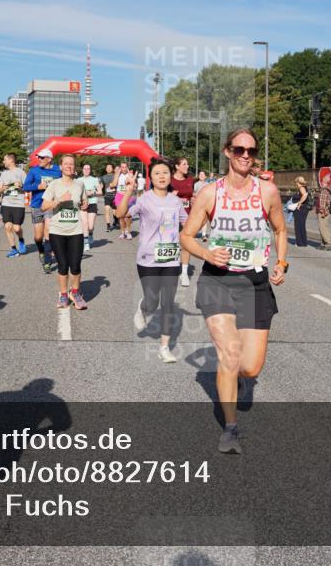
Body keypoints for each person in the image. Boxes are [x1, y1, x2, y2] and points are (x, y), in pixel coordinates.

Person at [180, 127, 288, 454]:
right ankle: (230, 428)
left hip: (254, 284)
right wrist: (206, 253)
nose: (245, 156)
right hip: (217, 280)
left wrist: (282, 263)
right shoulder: (210, 194)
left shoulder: (267, 192)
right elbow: (186, 237)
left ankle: (239, 378)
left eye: (251, 151)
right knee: (229, 355)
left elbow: (281, 229)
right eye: (239, 149)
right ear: (227, 152)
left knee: (250, 367)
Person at [117, 158, 187, 363]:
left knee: (168, 304)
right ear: (151, 178)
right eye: (157, 173)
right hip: (148, 259)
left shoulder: (176, 201)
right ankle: (143, 307)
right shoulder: (145, 199)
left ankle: (164, 347)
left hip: (171, 259)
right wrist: (129, 191)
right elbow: (121, 214)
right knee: (152, 300)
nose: (162, 176)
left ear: (170, 175)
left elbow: (188, 223)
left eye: (165, 172)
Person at [41, 154, 89, 309]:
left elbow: (84, 200)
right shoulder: (54, 185)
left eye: (72, 164)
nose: (69, 166)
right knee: (63, 265)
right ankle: (63, 295)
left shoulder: (79, 185)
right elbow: (43, 206)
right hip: (58, 231)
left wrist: (85, 204)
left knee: (75, 265)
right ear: (60, 167)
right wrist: (59, 201)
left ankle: (75, 293)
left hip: (75, 230)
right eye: (66, 164)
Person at [24, 149, 63, 273]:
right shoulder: (34, 170)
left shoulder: (58, 170)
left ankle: (47, 261)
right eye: (39, 157)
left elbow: (66, 183)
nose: (39, 159)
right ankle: (41, 251)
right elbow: (25, 186)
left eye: (42, 157)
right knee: (38, 236)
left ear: (49, 159)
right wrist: (38, 187)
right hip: (37, 206)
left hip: (51, 205)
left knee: (48, 233)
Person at [169, 157, 196, 287]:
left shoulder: (190, 179)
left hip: (187, 216)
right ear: (177, 166)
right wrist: (171, 196)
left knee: (186, 244)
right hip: (170, 217)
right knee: (171, 243)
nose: (187, 166)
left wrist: (193, 199)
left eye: (187, 163)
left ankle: (184, 273)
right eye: (184, 164)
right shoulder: (169, 179)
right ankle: (171, 270)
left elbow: (191, 196)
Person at [0, 153, 28, 258]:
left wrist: (21, 186)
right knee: (7, 227)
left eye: (4, 160)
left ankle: (21, 240)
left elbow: (28, 188)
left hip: (18, 204)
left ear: (10, 160)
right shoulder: (3, 174)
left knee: (17, 228)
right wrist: (3, 188)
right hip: (6, 203)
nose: (3, 162)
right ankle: (14, 249)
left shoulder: (21, 173)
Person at [77, 163, 103, 252]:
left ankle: (91, 233)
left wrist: (92, 193)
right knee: (85, 223)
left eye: (88, 169)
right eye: (85, 168)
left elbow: (100, 192)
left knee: (90, 226)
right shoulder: (78, 180)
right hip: (82, 204)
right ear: (82, 170)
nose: (86, 170)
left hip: (92, 203)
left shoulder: (94, 179)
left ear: (90, 170)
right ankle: (86, 242)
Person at [112, 162, 135, 239]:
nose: (124, 169)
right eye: (122, 167)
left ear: (127, 167)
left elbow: (134, 186)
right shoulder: (117, 175)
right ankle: (122, 232)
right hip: (119, 196)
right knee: (121, 216)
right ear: (120, 168)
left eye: (125, 167)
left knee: (128, 216)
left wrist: (130, 180)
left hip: (128, 196)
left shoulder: (130, 175)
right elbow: (114, 184)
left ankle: (128, 232)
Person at [315, 173, 331, 251]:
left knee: (323, 228)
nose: (320, 182)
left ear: (324, 181)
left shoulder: (324, 190)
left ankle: (328, 244)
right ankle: (323, 243)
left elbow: (322, 204)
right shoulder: (328, 189)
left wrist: (322, 212)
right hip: (326, 212)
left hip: (323, 212)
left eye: (322, 180)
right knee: (323, 227)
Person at [292, 176, 312, 247]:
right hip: (304, 208)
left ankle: (300, 242)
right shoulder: (305, 187)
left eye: (296, 182)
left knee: (298, 225)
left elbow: (305, 195)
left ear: (298, 182)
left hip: (301, 209)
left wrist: (299, 203)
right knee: (302, 225)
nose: (296, 184)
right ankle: (303, 242)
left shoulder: (301, 188)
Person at [193, 170, 209, 242]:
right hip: (197, 204)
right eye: (200, 174)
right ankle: (194, 233)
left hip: (206, 204)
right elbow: (193, 193)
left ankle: (204, 235)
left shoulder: (208, 184)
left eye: (203, 174)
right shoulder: (196, 184)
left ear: (205, 176)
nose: (201, 176)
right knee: (197, 220)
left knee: (204, 220)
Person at [101, 163, 117, 232]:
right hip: (107, 196)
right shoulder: (103, 177)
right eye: (107, 167)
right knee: (107, 211)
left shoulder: (115, 176)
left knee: (115, 212)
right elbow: (101, 186)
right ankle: (108, 226)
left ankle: (116, 220)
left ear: (112, 169)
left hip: (115, 196)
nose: (108, 169)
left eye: (110, 167)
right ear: (105, 169)